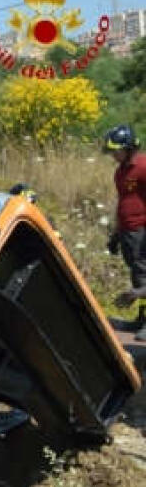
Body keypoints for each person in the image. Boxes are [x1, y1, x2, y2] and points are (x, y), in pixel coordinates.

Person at [104, 125, 146, 339]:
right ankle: (142, 320)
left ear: (129, 148)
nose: (112, 155)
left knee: (144, 272)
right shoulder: (120, 171)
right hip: (128, 231)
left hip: (142, 229)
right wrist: (116, 235)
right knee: (138, 274)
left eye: (116, 151)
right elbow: (124, 202)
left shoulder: (143, 166)